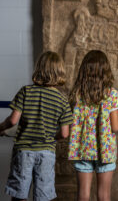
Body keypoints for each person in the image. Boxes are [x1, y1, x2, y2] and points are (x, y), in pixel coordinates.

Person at [0, 51, 73, 201]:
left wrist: (1, 128)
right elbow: (65, 133)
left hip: (24, 151)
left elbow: (13, 121)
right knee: (43, 196)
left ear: (38, 69)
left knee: (19, 194)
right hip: (46, 152)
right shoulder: (62, 100)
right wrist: (52, 138)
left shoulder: (26, 91)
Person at [68, 50, 118, 201]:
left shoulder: (76, 94)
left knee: (83, 194)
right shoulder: (112, 95)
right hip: (105, 150)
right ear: (106, 71)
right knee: (104, 195)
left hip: (82, 148)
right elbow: (116, 127)